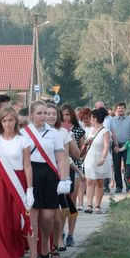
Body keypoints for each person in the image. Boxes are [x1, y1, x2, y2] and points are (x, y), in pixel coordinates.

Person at [0, 107, 33, 258]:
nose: (8, 124)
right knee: (1, 222)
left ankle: (16, 256)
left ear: (16, 121)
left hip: (18, 182)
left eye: (11, 120)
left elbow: (27, 165)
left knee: (15, 223)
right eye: (4, 121)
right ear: (0, 123)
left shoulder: (23, 140)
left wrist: (30, 189)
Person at [22, 101, 69, 258]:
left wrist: (64, 179)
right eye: (39, 113)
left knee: (48, 216)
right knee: (32, 215)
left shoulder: (54, 133)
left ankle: (44, 244)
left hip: (50, 174)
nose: (43, 116)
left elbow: (61, 157)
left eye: (45, 113)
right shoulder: (23, 133)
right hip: (31, 173)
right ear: (32, 114)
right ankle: (34, 253)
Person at [46, 103, 76, 257]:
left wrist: (64, 178)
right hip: (44, 176)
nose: (51, 116)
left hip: (59, 175)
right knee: (46, 213)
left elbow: (65, 156)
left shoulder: (62, 132)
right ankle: (47, 243)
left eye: (53, 114)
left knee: (61, 211)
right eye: (48, 113)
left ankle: (59, 238)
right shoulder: (37, 132)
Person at [60, 104, 85, 247]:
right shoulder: (56, 130)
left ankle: (70, 233)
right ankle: (60, 231)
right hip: (61, 167)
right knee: (61, 203)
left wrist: (84, 146)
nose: (65, 117)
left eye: (68, 115)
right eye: (62, 115)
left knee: (71, 201)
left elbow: (80, 154)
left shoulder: (77, 130)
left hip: (74, 167)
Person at [83, 107, 112, 214]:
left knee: (100, 182)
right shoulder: (90, 130)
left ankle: (98, 205)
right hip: (90, 157)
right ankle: (89, 205)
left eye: (91, 118)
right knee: (89, 181)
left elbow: (106, 146)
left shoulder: (105, 131)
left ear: (94, 118)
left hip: (100, 157)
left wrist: (103, 158)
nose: (90, 120)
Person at [109, 102, 130, 193]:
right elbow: (109, 133)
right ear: (116, 109)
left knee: (128, 166)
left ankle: (128, 184)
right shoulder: (112, 120)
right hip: (116, 145)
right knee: (116, 166)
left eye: (122, 108)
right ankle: (119, 186)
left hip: (128, 145)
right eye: (119, 108)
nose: (120, 110)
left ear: (125, 109)